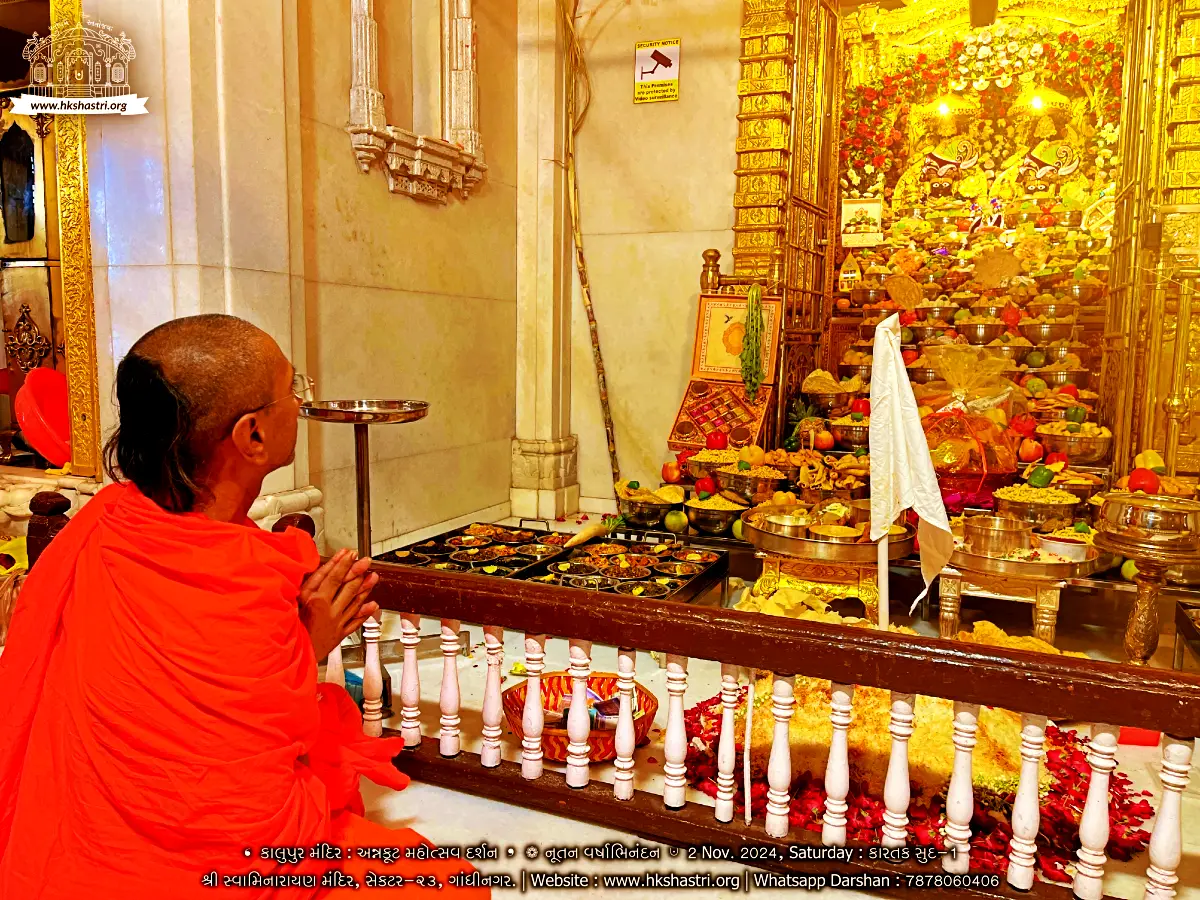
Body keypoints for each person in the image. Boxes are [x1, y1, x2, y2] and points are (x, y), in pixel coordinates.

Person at [0, 315, 488, 898]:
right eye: (293, 390)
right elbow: (244, 800)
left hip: (79, 856)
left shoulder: (106, 527)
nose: (302, 401)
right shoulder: (248, 581)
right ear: (252, 435)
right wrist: (312, 645)